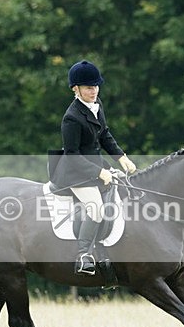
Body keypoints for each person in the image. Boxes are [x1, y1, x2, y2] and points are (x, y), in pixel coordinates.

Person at [52, 60, 136, 275]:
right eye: (89, 87)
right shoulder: (71, 118)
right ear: (76, 89)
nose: (94, 90)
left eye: (96, 86)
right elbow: (72, 155)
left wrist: (121, 157)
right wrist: (99, 172)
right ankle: (83, 256)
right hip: (75, 174)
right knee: (96, 207)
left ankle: (104, 249)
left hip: (96, 166)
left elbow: (105, 134)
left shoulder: (96, 106)